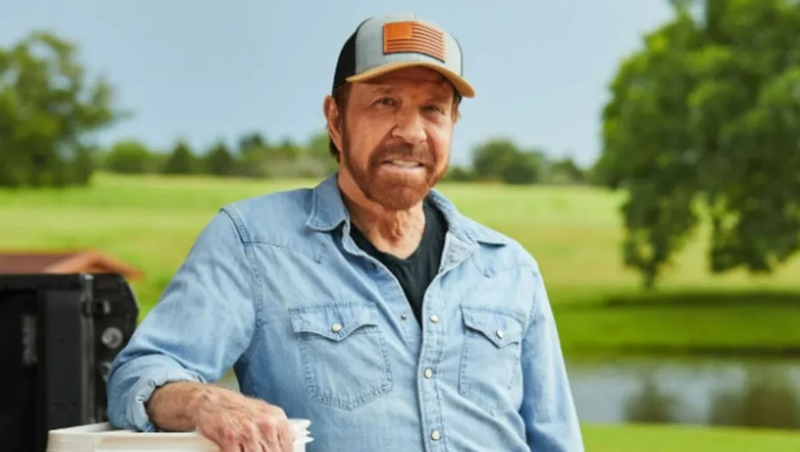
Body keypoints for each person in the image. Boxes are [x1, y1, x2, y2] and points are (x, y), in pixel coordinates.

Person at [106, 11, 584, 452]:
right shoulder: (251, 243)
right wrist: (205, 402)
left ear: (453, 122)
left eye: (433, 109)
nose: (411, 132)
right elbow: (139, 375)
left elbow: (556, 441)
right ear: (335, 120)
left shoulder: (510, 268)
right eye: (385, 102)